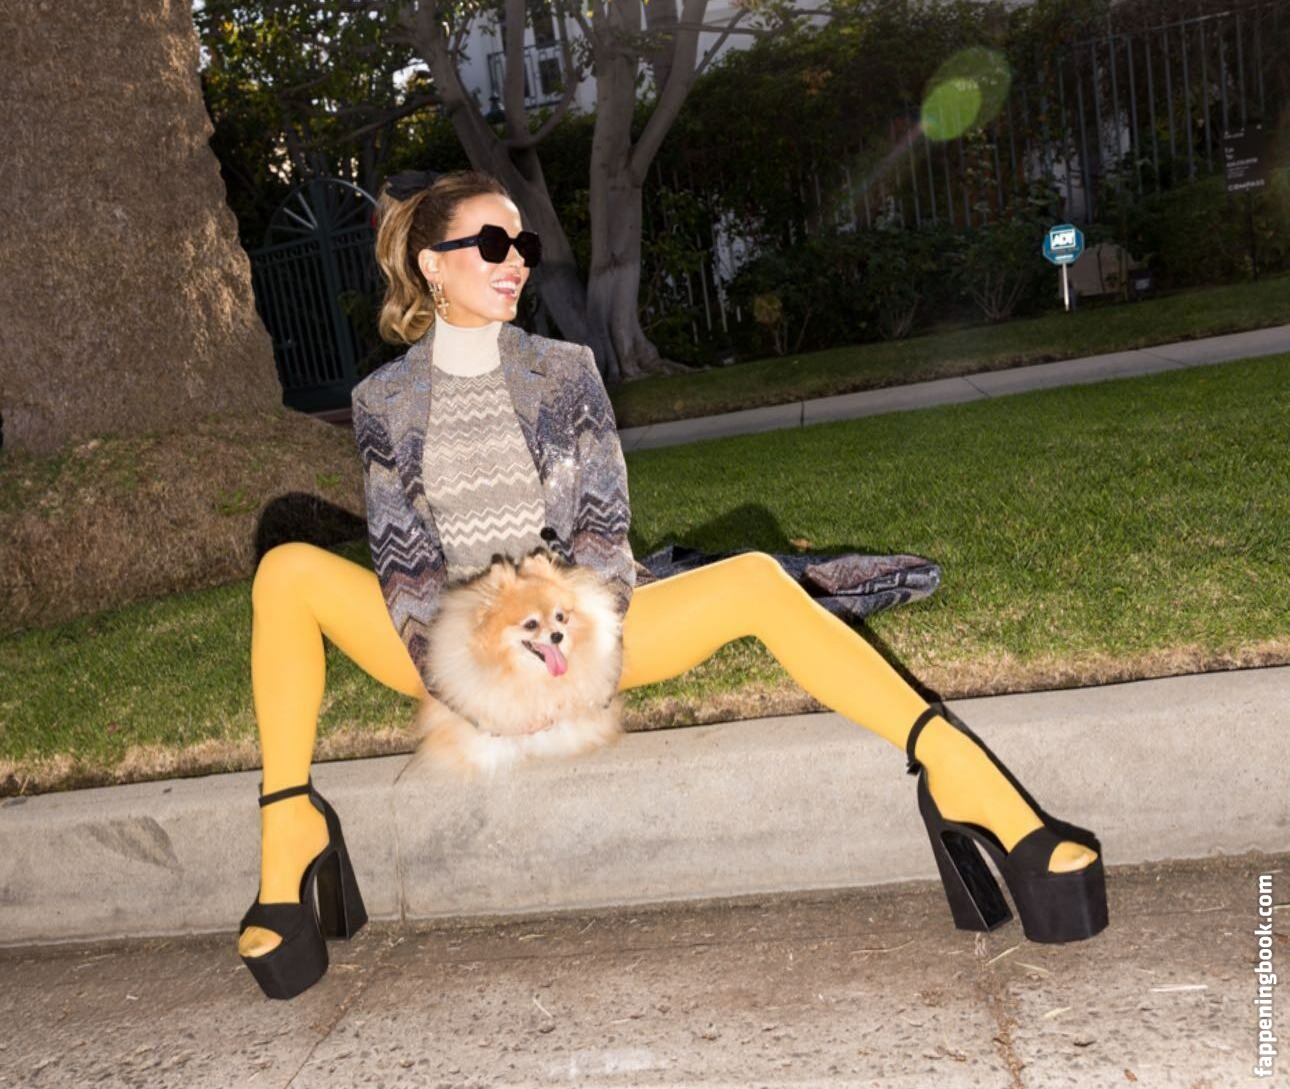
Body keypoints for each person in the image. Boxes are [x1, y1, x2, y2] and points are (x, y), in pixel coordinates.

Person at [237, 168, 1107, 1000]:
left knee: (756, 581)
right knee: (286, 572)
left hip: (576, 626)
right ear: (432, 264)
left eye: (524, 244)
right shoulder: (383, 400)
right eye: (493, 244)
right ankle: (289, 837)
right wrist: (470, 682)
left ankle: (963, 776)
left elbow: (602, 530)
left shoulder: (564, 368)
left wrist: (567, 659)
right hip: (455, 651)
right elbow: (402, 561)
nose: (516, 262)